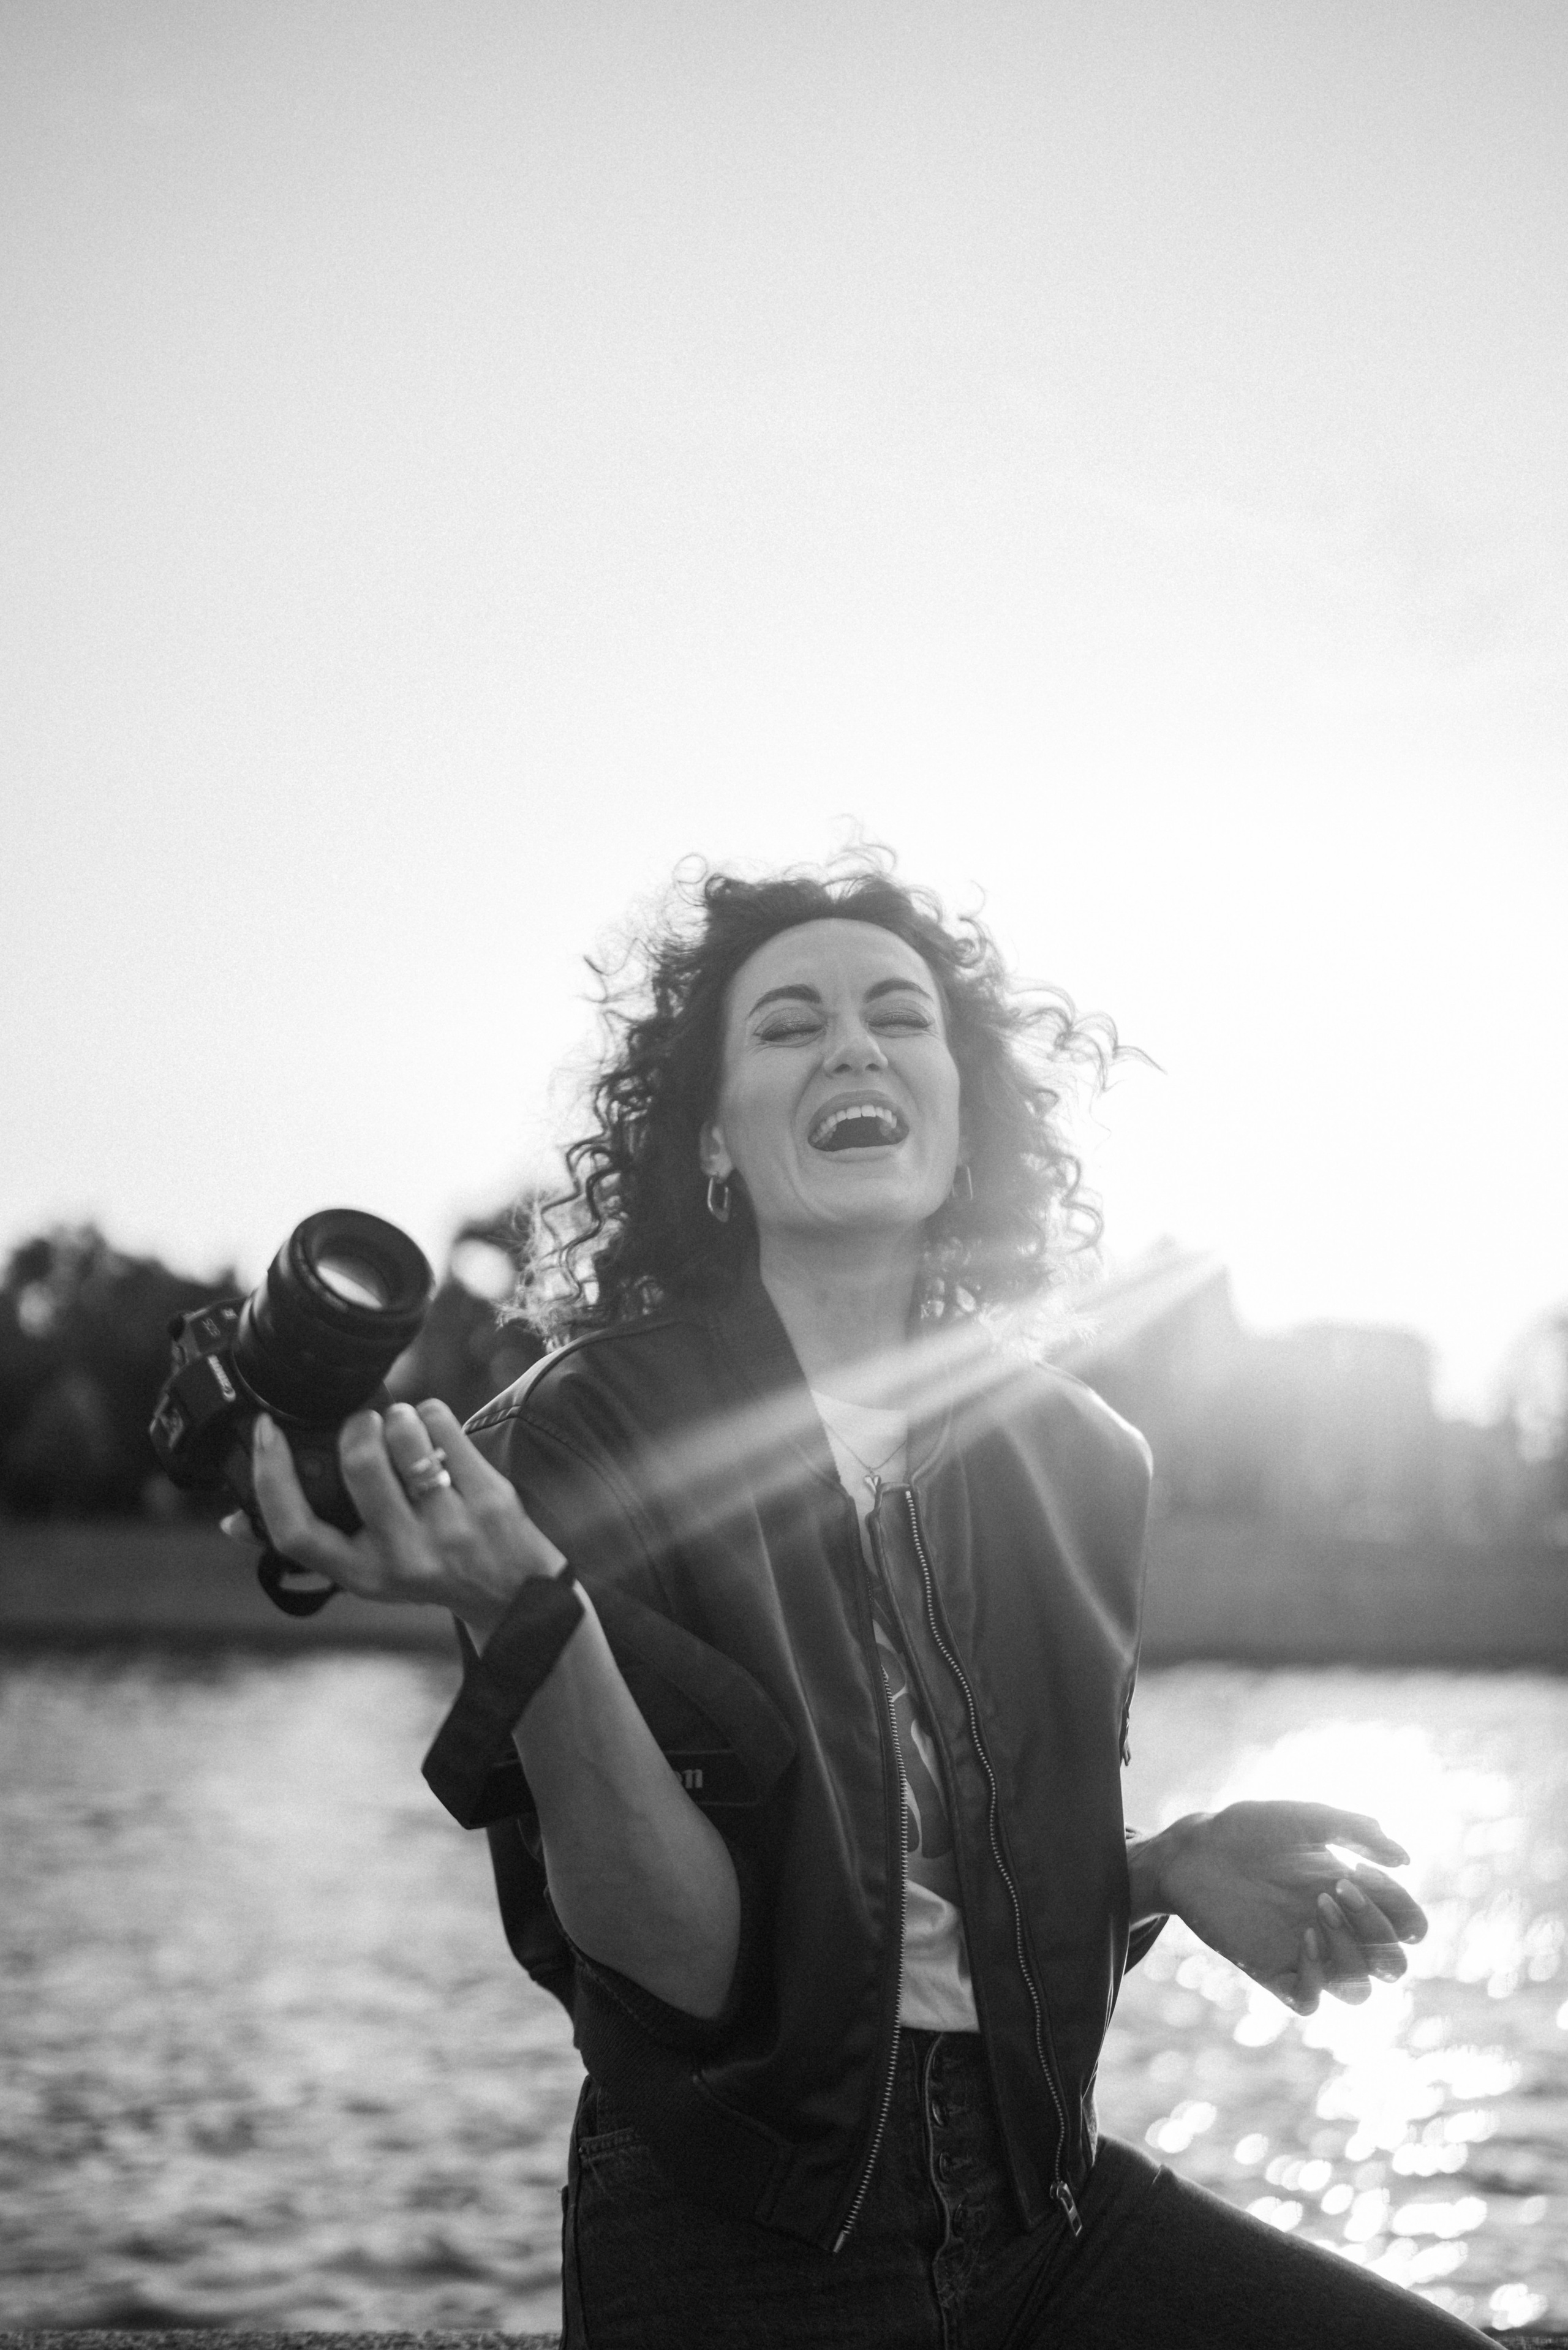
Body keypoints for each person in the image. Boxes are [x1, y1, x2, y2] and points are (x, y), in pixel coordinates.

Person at [232, 857, 1488, 2346]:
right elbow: (688, 1969)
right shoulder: (580, 1434)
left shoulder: (1081, 1459)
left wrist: (1162, 1867)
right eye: (786, 1025)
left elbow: (955, 1884)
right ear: (710, 1140)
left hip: (1039, 2189)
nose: (853, 1044)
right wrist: (539, 1621)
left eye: (901, 1015)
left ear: (963, 1127)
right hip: (741, 2218)